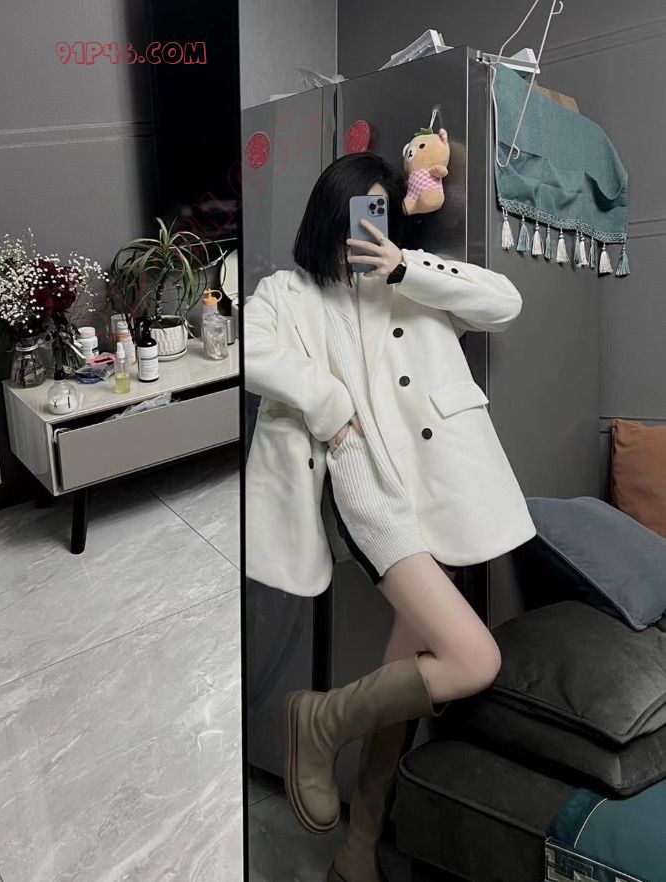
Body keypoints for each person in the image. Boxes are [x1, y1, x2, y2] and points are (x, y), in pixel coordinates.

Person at [243, 152, 537, 882]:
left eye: (381, 208)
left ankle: (358, 850)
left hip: (443, 491)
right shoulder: (287, 292)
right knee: (472, 659)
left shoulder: (410, 278)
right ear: (329, 211)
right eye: (358, 207)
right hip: (369, 492)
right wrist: (330, 406)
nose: (368, 224)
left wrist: (406, 266)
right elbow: (251, 352)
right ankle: (320, 720)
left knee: (408, 672)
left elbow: (505, 303)